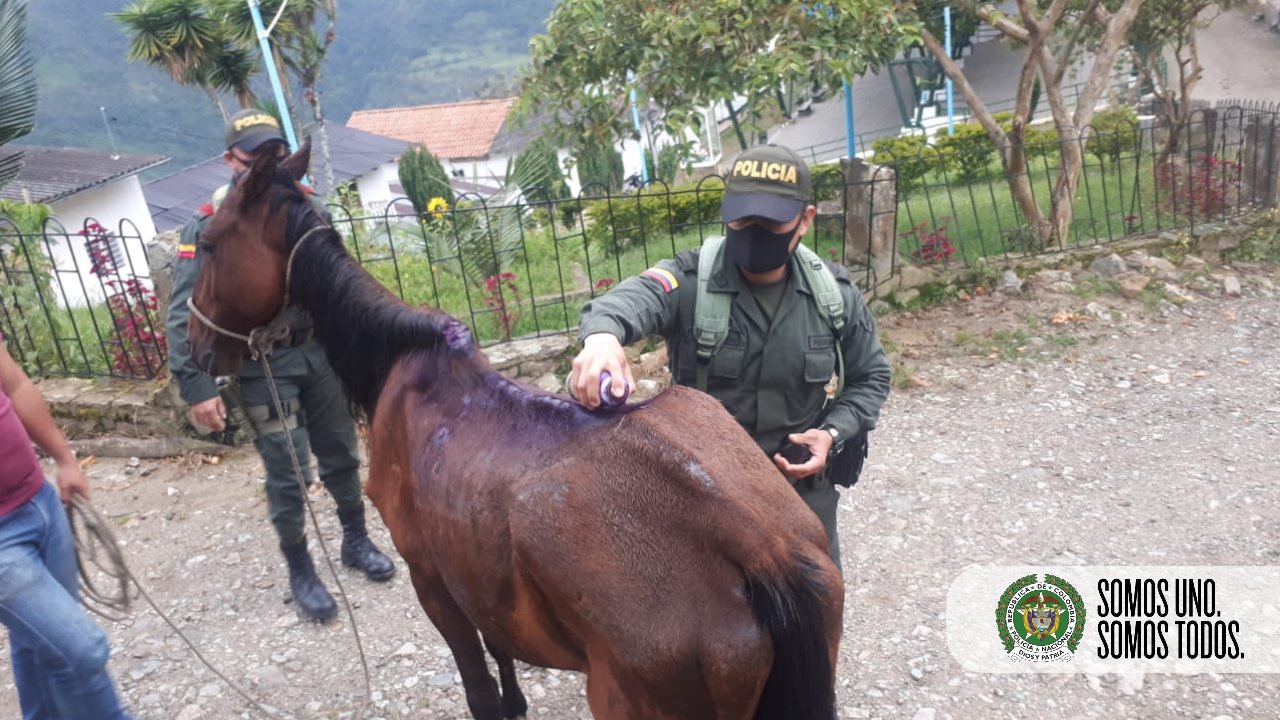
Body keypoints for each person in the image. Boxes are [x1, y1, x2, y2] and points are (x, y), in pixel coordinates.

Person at [570, 144, 892, 569]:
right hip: (707, 498)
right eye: (743, 218)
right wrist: (602, 340)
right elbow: (629, 301)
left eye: (770, 221)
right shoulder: (689, 282)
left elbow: (872, 376)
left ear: (805, 220)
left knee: (810, 625)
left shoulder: (833, 296)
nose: (754, 230)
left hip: (802, 500)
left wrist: (832, 433)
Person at [166, 109, 395, 622]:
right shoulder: (210, 223)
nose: (267, 168)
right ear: (230, 160)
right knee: (287, 469)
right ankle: (300, 566)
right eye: (254, 159)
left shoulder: (306, 210)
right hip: (261, 363)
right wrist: (196, 383)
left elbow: (337, 287)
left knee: (341, 451)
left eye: (274, 156)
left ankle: (355, 540)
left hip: (317, 353)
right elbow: (185, 307)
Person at [0, 335, 134, 719]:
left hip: (39, 501)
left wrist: (64, 458)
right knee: (77, 649)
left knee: (36, 642)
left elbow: (14, 383)